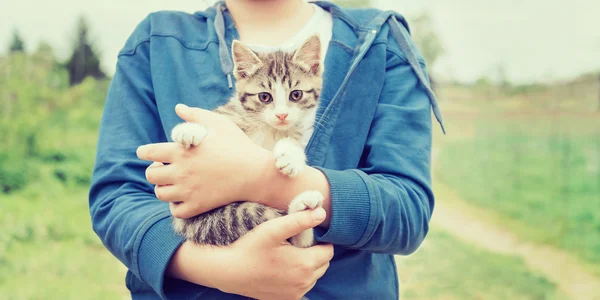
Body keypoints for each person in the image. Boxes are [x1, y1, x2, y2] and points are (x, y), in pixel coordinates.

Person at [88, 0, 445, 299]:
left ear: (315, 69)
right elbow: (116, 198)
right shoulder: (157, 42)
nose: (280, 110)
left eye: (293, 96)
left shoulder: (382, 41)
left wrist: (261, 180)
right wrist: (217, 268)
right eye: (265, 97)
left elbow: (408, 211)